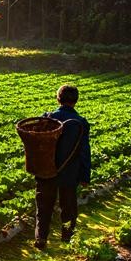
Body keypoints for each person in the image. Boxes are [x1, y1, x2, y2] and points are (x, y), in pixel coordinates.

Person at [34, 84, 91, 250]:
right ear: (76, 101)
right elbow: (84, 152)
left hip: (46, 171)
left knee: (43, 207)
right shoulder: (80, 123)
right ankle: (67, 239)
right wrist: (85, 176)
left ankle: (41, 239)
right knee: (68, 208)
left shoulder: (47, 118)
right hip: (69, 173)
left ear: (58, 99)